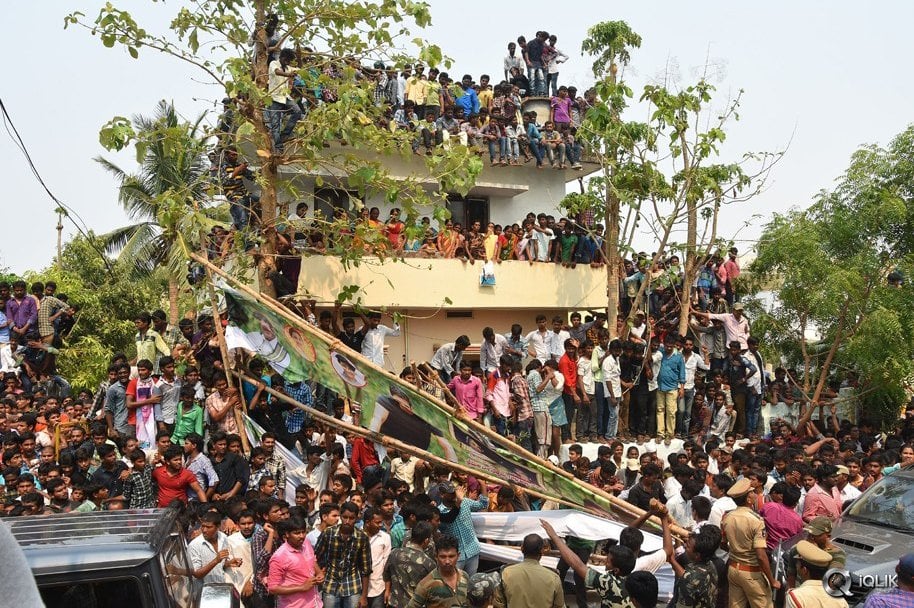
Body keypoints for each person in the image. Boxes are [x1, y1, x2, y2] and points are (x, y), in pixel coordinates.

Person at [541, 518, 638, 608]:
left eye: (608, 561)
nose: (605, 562)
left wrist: (554, 536)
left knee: (578, 577)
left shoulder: (607, 583)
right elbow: (628, 535)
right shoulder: (633, 577)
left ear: (616, 570)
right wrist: (650, 512)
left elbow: (576, 564)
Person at [720, 478, 780, 608]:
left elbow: (723, 544)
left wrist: (737, 549)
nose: (755, 494)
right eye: (752, 492)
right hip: (752, 573)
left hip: (733, 569)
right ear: (748, 499)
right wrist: (772, 580)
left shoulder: (727, 517)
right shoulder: (756, 521)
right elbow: (761, 556)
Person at [315, 501, 373, 608]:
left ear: (356, 518)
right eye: (345, 517)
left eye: (351, 518)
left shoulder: (362, 537)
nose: (347, 521)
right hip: (330, 584)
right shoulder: (328, 533)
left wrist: (364, 596)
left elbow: (366, 569)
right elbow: (315, 557)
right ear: (340, 516)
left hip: (353, 585)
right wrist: (320, 572)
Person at [493, 533, 563, 608]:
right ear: (542, 551)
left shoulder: (506, 573)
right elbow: (559, 606)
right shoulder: (554, 578)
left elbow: (499, 605)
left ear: (522, 548)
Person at [268, 517, 324, 608]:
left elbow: (312, 560)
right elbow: (273, 588)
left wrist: (319, 573)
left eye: (303, 532)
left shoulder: (305, 542)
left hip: (315, 603)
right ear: (287, 534)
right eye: (297, 533)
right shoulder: (279, 557)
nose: (301, 536)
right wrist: (302, 587)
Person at [436, 481, 487, 576]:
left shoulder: (465, 502)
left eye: (454, 492)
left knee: (471, 581)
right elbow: (448, 519)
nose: (454, 495)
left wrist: (483, 485)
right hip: (455, 556)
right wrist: (458, 502)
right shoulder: (438, 511)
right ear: (442, 495)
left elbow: (483, 505)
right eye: (450, 494)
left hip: (472, 550)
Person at [406, 534, 469, 608]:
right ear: (436, 556)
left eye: (451, 556)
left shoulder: (464, 576)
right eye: (443, 557)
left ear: (458, 556)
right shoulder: (426, 584)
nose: (447, 561)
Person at [785, 541, 848, 608]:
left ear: (804, 570)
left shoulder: (796, 597)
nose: (796, 566)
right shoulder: (841, 602)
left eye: (798, 564)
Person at [189, 511, 241, 586]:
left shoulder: (223, 538)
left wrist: (229, 563)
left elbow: (220, 566)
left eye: (209, 527)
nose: (204, 530)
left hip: (221, 586)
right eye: (203, 526)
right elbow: (196, 574)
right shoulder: (194, 545)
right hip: (204, 591)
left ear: (218, 527)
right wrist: (216, 560)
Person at [269, 48, 304, 150]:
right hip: (274, 97)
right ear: (282, 57)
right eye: (287, 60)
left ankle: (284, 135)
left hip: (285, 97)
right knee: (275, 125)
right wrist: (289, 75)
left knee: (297, 111)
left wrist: (299, 56)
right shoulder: (274, 63)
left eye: (289, 61)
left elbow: (300, 69)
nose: (288, 62)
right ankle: (279, 147)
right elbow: (277, 72)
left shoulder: (288, 68)